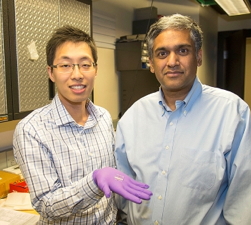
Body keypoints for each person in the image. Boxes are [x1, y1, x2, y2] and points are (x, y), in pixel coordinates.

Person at [115, 14, 251, 225]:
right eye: (162, 53)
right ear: (152, 63)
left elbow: (243, 196)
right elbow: (124, 187)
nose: (172, 62)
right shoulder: (132, 118)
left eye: (183, 51)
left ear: (198, 57)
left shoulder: (232, 113)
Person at [13, 25, 152, 225]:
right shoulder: (32, 130)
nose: (77, 74)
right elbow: (46, 205)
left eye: (85, 64)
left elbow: (115, 182)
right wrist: (94, 182)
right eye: (66, 65)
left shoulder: (103, 118)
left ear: (95, 70)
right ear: (51, 73)